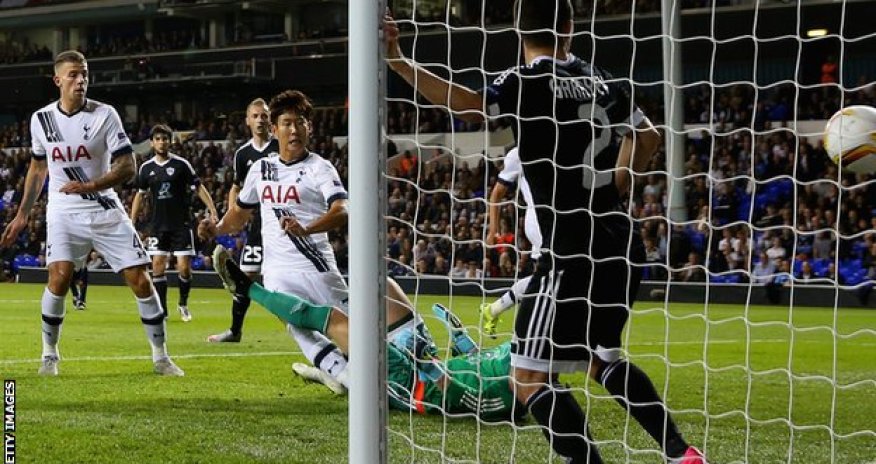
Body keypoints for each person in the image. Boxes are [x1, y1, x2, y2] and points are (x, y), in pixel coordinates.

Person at [384, 2, 705, 463]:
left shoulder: (525, 81)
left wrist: (398, 61)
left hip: (568, 250)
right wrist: (615, 184)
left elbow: (469, 105)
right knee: (602, 357)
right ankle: (681, 452)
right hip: (620, 243)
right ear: (570, 27)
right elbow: (649, 136)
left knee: (528, 378)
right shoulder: (603, 80)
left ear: (519, 30)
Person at [200, 90, 425, 395]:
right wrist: (216, 229)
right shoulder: (260, 169)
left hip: (318, 270)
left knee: (359, 335)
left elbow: (342, 209)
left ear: (310, 128)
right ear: (275, 129)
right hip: (277, 273)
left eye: (300, 123)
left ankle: (375, 370)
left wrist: (306, 229)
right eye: (287, 123)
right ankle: (355, 382)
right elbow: (239, 215)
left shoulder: (320, 167)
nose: (294, 130)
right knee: (299, 329)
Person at [0, 50, 183, 376]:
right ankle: (49, 356)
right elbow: (38, 168)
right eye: (73, 74)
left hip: (103, 206)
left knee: (140, 279)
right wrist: (23, 214)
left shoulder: (105, 114)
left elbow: (128, 166)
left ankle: (161, 357)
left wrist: (90, 185)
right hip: (64, 210)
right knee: (59, 277)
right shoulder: (41, 119)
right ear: (58, 80)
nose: (81, 79)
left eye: (84, 73)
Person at [211, 244, 522, 422]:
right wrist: (463, 342)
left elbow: (465, 397)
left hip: (410, 384)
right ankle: (343, 367)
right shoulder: (522, 356)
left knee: (332, 320)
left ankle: (247, 289)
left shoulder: (517, 390)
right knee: (383, 284)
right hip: (428, 358)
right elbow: (479, 365)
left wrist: (432, 369)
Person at [207, 98, 279, 343]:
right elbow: (236, 188)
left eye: (264, 115)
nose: (260, 120)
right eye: (255, 116)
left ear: (270, 119)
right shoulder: (243, 154)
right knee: (245, 278)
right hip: (257, 225)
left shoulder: (280, 146)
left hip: (282, 223)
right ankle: (235, 331)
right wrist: (233, 217)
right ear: (248, 121)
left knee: (283, 282)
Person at [130, 124, 218, 322]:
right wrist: (132, 220)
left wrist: (212, 209)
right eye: (158, 139)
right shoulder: (146, 168)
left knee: (184, 268)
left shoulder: (181, 165)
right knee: (157, 267)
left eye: (165, 139)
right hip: (158, 225)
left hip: (181, 224)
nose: (162, 142)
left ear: (170, 142)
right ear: (152, 143)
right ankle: (163, 310)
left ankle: (183, 304)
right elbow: (140, 195)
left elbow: (199, 187)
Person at [482, 147, 539, 338]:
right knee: (552, 278)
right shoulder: (518, 153)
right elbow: (496, 193)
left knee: (543, 279)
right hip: (540, 221)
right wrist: (493, 231)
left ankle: (494, 309)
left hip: (560, 219)